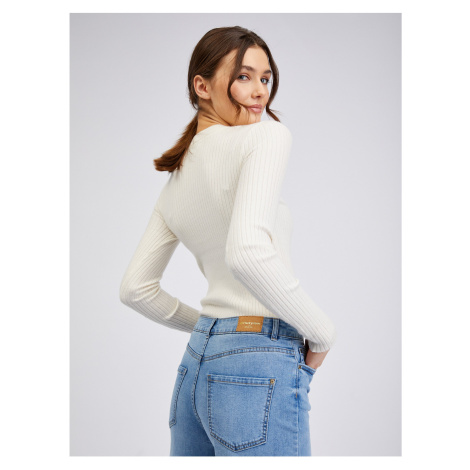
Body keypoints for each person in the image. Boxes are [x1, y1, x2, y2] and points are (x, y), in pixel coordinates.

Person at [119, 26, 337, 456]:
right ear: (202, 87)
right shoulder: (267, 136)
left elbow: (135, 289)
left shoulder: (175, 184)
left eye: (265, 78)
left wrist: (212, 328)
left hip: (196, 366)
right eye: (243, 77)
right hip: (257, 364)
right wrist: (322, 332)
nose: (259, 92)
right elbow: (247, 253)